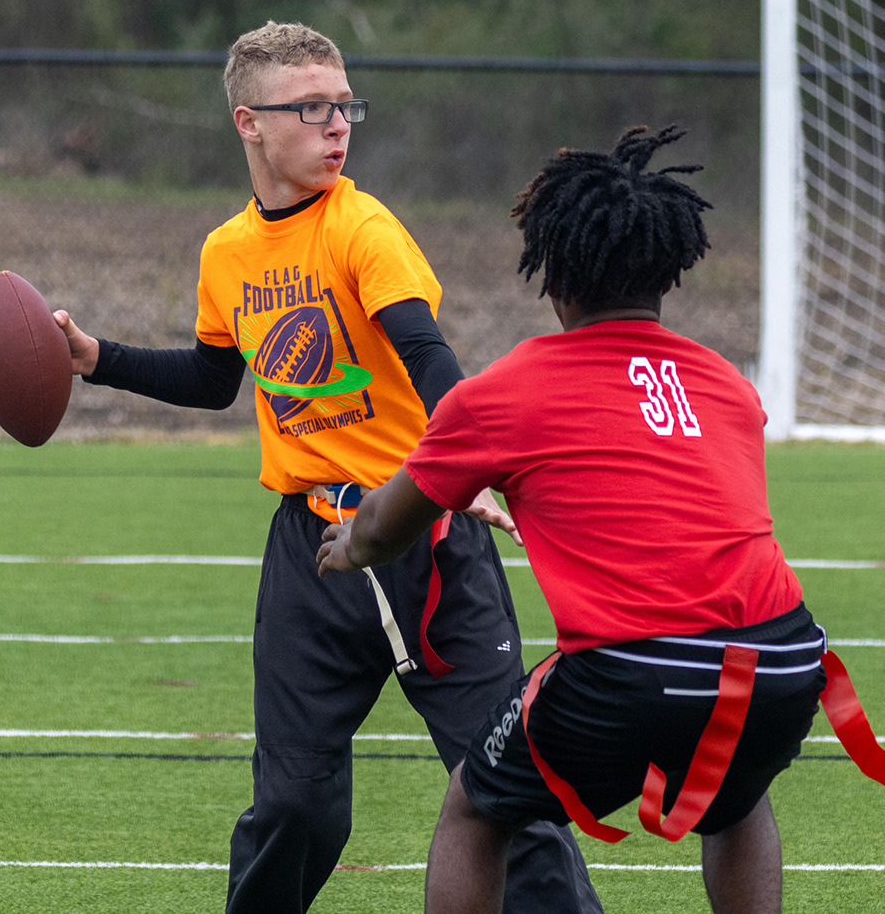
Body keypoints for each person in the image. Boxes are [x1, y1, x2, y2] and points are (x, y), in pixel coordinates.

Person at [54, 21, 599, 914]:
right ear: (249, 122)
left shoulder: (363, 226)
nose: (337, 124)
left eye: (344, 105)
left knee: (508, 793)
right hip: (310, 552)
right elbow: (213, 380)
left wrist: (471, 462)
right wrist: (97, 359)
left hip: (422, 534)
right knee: (293, 806)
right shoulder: (227, 251)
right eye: (310, 108)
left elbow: (425, 355)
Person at [317, 125, 885, 914]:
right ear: (667, 272)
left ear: (552, 276)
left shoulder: (504, 391)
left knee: (475, 810)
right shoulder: (727, 384)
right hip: (782, 659)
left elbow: (385, 527)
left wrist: (350, 544)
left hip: (632, 668)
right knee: (734, 798)